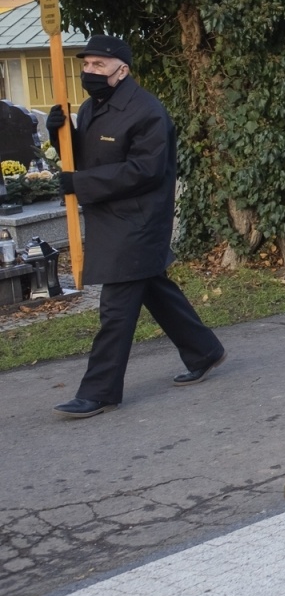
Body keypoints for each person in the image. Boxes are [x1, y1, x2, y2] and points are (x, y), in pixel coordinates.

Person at [48, 35, 225, 419]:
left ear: (122, 70)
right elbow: (89, 159)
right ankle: (204, 351)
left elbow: (145, 171)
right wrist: (59, 134)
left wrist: (80, 184)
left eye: (99, 65)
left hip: (139, 221)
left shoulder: (147, 112)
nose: (89, 71)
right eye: (86, 65)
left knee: (115, 309)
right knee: (155, 290)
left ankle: (99, 392)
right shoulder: (91, 108)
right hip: (110, 219)